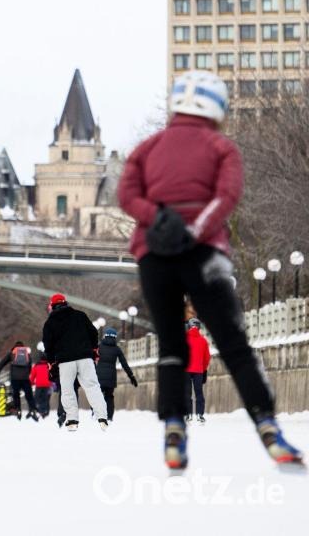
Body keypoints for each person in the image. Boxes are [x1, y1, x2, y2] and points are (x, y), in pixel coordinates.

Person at [118, 70, 302, 469]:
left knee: (171, 345)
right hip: (204, 255)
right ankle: (267, 425)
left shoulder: (148, 148)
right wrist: (195, 229)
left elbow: (126, 194)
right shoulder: (222, 148)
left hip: (154, 254)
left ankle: (173, 430)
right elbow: (227, 195)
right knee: (234, 345)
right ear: (217, 106)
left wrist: (158, 218)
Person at [42, 294, 108, 431]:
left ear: (52, 306)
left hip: (65, 362)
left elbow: (48, 346)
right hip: (85, 358)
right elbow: (93, 332)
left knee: (67, 390)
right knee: (93, 387)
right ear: (66, 303)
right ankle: (102, 417)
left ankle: (72, 420)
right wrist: (93, 349)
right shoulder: (80, 315)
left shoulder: (50, 323)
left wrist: (51, 362)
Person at [94, 328, 137, 422]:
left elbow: (91, 360)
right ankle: (109, 417)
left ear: (105, 336)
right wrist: (131, 376)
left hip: (99, 376)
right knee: (109, 397)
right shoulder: (117, 349)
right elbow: (124, 363)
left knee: (97, 395)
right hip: (111, 378)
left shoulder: (99, 347)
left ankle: (96, 413)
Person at [0, 342, 39, 421]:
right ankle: (32, 409)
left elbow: (2, 363)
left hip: (15, 378)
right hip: (25, 378)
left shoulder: (12, 353)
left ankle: (18, 410)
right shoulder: (26, 353)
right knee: (29, 395)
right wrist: (27, 374)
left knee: (16, 394)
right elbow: (30, 365)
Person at [184, 318, 211, 424]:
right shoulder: (203, 340)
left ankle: (188, 415)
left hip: (186, 370)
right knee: (199, 392)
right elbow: (207, 358)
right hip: (199, 370)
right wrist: (204, 369)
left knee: (187, 393)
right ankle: (200, 414)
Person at [29, 354, 52, 419]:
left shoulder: (36, 366)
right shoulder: (48, 366)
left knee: (37, 398)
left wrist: (31, 383)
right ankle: (43, 412)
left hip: (38, 385)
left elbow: (32, 376)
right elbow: (52, 375)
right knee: (45, 399)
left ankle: (36, 410)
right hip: (47, 385)